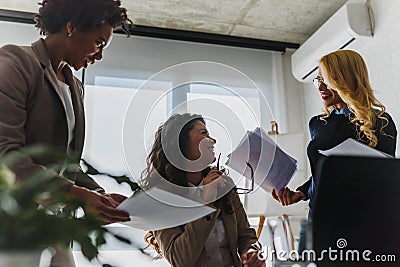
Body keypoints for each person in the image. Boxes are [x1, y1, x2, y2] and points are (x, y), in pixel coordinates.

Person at [0, 0, 132, 265]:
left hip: (56, 224)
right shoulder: (16, 62)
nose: (99, 55)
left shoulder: (75, 87)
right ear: (71, 27)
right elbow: (8, 157)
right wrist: (80, 196)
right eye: (99, 43)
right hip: (14, 222)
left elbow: (65, 165)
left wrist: (99, 195)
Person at [271, 50, 397, 249]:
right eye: (318, 80)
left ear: (346, 80)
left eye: (328, 80)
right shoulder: (317, 124)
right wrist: (302, 193)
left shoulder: (380, 123)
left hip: (360, 224)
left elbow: (386, 181)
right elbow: (324, 172)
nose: (320, 87)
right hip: (318, 219)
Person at [142, 113, 266, 267]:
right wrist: (205, 201)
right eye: (204, 133)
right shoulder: (160, 197)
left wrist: (252, 251)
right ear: (180, 144)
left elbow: (246, 236)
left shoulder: (224, 184)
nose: (213, 140)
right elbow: (180, 259)